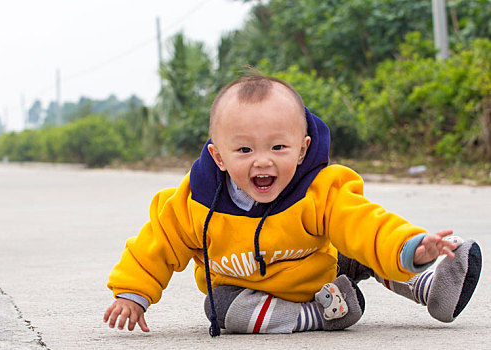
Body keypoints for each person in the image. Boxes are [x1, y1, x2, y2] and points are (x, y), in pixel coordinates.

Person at [103, 74, 481, 336]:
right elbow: (156, 244)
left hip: (321, 268)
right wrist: (132, 294)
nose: (262, 161)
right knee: (221, 310)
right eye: (244, 149)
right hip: (246, 291)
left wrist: (412, 247)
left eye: (278, 147)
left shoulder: (319, 191)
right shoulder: (193, 204)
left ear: (301, 149)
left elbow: (366, 224)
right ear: (219, 157)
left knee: (364, 249)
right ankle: (322, 314)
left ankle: (429, 287)